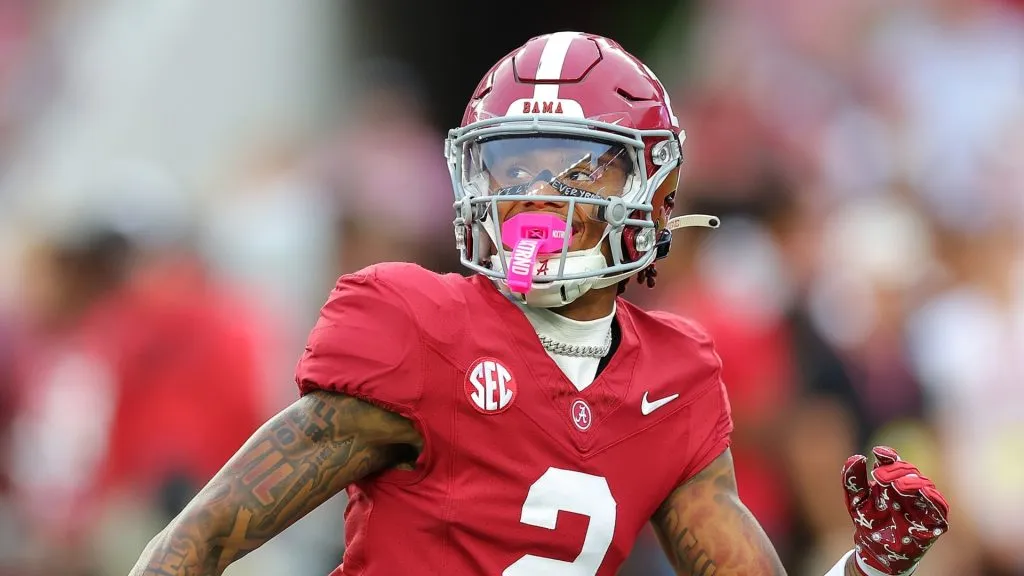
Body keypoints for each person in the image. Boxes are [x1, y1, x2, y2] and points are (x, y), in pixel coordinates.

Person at [129, 32, 948, 576]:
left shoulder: (677, 377)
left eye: (575, 171)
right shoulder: (419, 328)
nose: (536, 198)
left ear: (655, 191)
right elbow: (197, 541)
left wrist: (863, 568)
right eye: (513, 168)